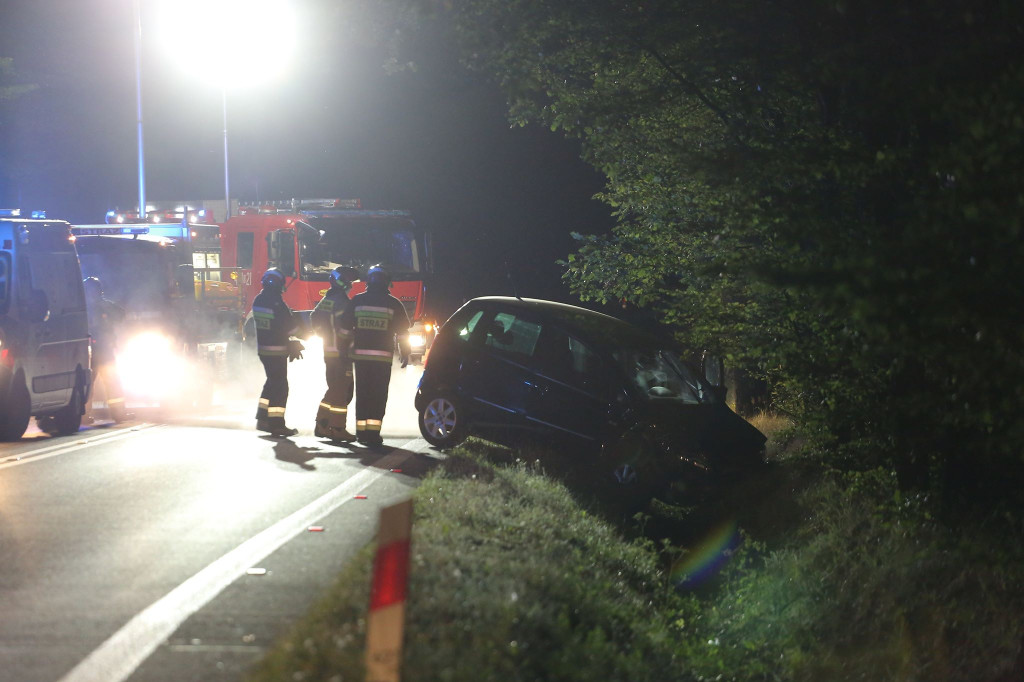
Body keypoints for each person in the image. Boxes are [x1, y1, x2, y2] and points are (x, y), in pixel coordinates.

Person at [339, 264, 411, 447]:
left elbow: (345, 328)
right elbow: (403, 332)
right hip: (382, 359)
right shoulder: (394, 303)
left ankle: (361, 433)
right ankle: (373, 434)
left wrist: (343, 351)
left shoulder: (357, 300)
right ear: (387, 282)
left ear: (368, 281)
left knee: (363, 394)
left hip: (361, 359)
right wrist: (406, 352)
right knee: (378, 396)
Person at [252, 268, 304, 437]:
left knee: (271, 383)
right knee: (280, 386)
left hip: (264, 349)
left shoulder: (259, 300)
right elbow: (289, 327)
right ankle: (277, 424)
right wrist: (300, 335)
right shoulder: (276, 302)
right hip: (277, 350)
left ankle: (263, 419)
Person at [311, 265, 359, 442]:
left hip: (329, 352)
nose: (351, 284)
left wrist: (325, 337)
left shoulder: (326, 300)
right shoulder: (343, 302)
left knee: (334, 389)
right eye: (349, 281)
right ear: (342, 281)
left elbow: (314, 319)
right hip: (341, 353)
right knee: (341, 391)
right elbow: (345, 329)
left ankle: (322, 424)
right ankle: (337, 428)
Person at [83, 276, 127, 423]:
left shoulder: (84, 307)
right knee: (110, 382)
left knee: (90, 383)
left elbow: (121, 314)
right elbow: (121, 314)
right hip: (101, 350)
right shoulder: (103, 306)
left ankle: (84, 415)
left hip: (92, 351)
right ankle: (118, 414)